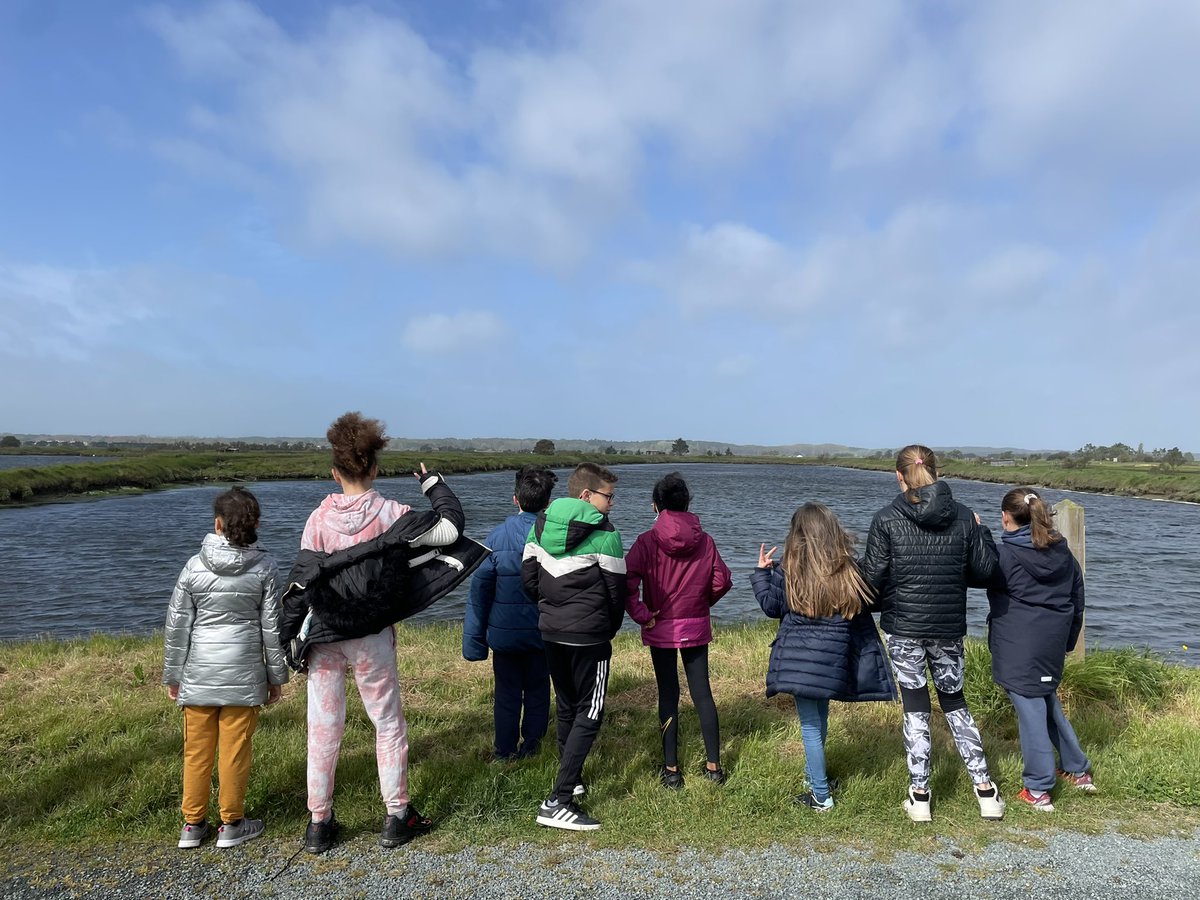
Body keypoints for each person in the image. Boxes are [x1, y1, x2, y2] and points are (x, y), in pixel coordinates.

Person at [281, 411, 486, 854]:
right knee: (387, 723)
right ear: (374, 468)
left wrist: (288, 640)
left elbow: (303, 581)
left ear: (334, 471)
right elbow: (451, 527)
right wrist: (432, 483)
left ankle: (319, 823)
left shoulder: (316, 520)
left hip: (325, 637)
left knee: (323, 728)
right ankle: (396, 816)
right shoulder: (394, 514)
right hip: (372, 635)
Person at [859, 444, 1004, 822]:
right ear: (936, 472)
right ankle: (986, 792)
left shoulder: (886, 518)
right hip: (948, 627)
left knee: (916, 709)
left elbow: (870, 580)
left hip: (903, 627)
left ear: (899, 475)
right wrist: (981, 528)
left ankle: (920, 796)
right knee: (955, 703)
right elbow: (986, 572)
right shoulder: (961, 518)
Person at [162, 487, 288, 849]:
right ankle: (232, 823)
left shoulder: (193, 566)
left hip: (198, 673)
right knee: (235, 750)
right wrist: (275, 677)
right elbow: (272, 628)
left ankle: (192, 825)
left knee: (196, 751)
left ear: (216, 523)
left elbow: (177, 627)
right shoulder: (265, 567)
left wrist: (173, 676)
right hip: (244, 674)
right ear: (257, 524)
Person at [750, 503, 895, 811]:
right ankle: (815, 777)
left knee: (810, 726)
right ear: (832, 532)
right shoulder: (848, 570)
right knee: (820, 718)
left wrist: (761, 573)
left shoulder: (788, 571)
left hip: (799, 663)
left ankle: (820, 796)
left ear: (797, 536)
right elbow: (872, 600)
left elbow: (770, 607)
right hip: (833, 660)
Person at [522, 462, 626, 831]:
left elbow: (529, 583)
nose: (612, 504)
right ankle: (559, 800)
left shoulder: (538, 526)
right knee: (591, 711)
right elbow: (618, 594)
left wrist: (551, 611)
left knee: (566, 705)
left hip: (550, 631)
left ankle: (573, 778)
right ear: (586, 495)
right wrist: (607, 627)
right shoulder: (607, 534)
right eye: (608, 496)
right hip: (590, 636)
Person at [987, 488, 1095, 811]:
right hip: (1051, 643)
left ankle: (1038, 787)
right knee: (1046, 702)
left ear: (1006, 517)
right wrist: (1069, 640)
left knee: (1031, 711)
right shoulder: (1063, 554)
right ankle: (1077, 769)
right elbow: (1078, 599)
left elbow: (978, 573)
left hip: (1018, 647)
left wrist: (976, 534)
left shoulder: (1004, 557)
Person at [625, 472, 732, 788]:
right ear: (687, 504)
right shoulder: (705, 540)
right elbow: (722, 580)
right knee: (703, 693)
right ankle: (714, 767)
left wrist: (643, 614)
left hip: (661, 627)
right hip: (695, 623)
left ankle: (671, 771)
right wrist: (702, 602)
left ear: (654, 506)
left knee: (668, 694)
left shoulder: (646, 541)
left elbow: (625, 582)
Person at [463, 465, 558, 760]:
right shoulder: (554, 536)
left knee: (506, 694)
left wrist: (474, 643)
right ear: (548, 502)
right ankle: (532, 746)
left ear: (515, 499)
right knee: (538, 690)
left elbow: (479, 594)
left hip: (503, 634)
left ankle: (504, 750)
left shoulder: (495, 538)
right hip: (543, 630)